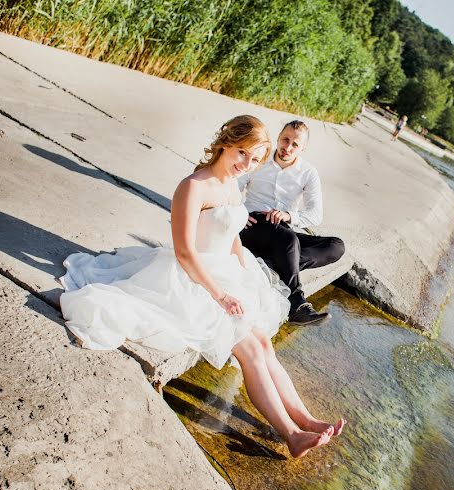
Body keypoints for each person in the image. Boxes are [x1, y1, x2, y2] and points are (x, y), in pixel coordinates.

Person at [60, 115, 344, 458]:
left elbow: (233, 235)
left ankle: (306, 419)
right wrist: (220, 294)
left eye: (255, 160)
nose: (246, 165)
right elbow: (183, 252)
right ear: (226, 143)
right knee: (250, 350)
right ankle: (291, 435)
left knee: (264, 343)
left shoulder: (233, 186)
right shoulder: (193, 186)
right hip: (191, 280)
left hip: (226, 274)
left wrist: (245, 273)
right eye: (242, 153)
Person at [238, 120, 345, 326]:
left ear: (303, 147)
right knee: (288, 239)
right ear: (278, 137)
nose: (288, 147)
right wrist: (240, 213)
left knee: (335, 246)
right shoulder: (259, 158)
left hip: (283, 233)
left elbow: (315, 214)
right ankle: (297, 303)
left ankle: (271, 266)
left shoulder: (308, 173)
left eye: (295, 144)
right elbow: (233, 186)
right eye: (285, 140)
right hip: (252, 226)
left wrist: (289, 216)